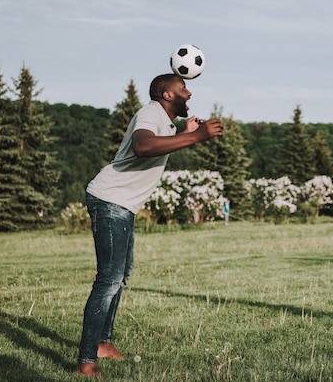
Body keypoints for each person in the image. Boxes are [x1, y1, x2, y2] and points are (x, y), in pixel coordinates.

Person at [76, 73, 224, 378]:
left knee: (120, 276)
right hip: (110, 201)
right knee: (109, 280)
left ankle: (103, 344)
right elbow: (143, 146)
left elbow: (158, 144)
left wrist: (185, 132)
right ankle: (86, 361)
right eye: (184, 88)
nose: (190, 92)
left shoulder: (165, 123)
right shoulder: (149, 113)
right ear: (167, 95)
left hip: (122, 206)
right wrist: (197, 136)